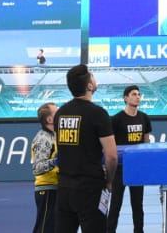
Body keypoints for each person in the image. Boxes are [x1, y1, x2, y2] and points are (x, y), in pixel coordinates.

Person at [54, 65, 117, 233]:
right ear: (89, 86)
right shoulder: (98, 114)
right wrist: (109, 181)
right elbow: (111, 156)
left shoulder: (60, 114)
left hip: (64, 188)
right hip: (90, 189)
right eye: (93, 77)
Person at [107, 86, 153, 233]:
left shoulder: (144, 118)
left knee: (137, 206)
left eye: (139, 94)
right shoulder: (116, 119)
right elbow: (111, 145)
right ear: (126, 98)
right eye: (134, 94)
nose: (138, 97)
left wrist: (145, 165)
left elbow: (146, 143)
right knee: (115, 205)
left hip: (137, 169)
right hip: (120, 169)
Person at [31, 102, 60, 233]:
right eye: (57, 112)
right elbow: (37, 167)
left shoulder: (54, 135)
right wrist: (57, 161)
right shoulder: (43, 138)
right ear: (49, 119)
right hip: (46, 189)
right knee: (44, 228)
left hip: (55, 187)